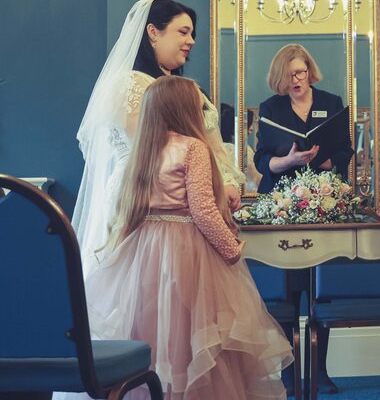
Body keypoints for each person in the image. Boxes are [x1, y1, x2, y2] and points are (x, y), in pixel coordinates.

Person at [83, 75, 292, 399]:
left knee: (151, 331)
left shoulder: (142, 150)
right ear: (184, 109)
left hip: (144, 250)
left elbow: (128, 207)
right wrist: (231, 249)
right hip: (186, 249)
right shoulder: (193, 148)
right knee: (191, 334)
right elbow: (203, 211)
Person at [72, 0, 244, 277]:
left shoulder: (188, 88)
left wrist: (227, 182)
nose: (191, 41)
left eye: (192, 34)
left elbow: (212, 144)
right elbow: (154, 149)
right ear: (153, 32)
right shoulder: (130, 84)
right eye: (183, 32)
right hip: (147, 205)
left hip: (194, 206)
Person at [254, 43, 354, 395]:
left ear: (310, 70)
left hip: (321, 202)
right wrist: (289, 161)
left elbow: (345, 149)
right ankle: (289, 373)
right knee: (286, 290)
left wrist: (327, 161)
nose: (296, 80)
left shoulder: (331, 102)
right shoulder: (271, 108)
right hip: (282, 205)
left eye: (300, 72)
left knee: (319, 290)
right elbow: (262, 159)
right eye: (288, 76)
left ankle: (319, 371)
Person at [220, 103, 262, 192]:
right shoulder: (243, 149)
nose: (252, 129)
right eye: (249, 124)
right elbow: (255, 178)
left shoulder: (221, 148)